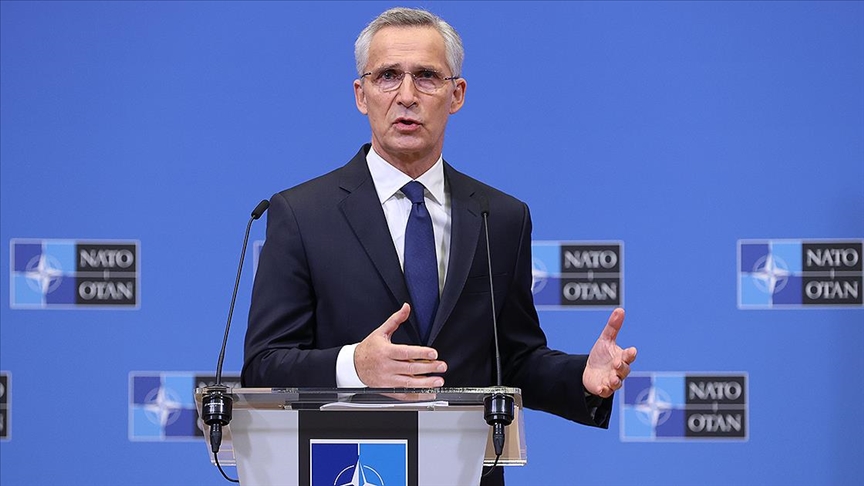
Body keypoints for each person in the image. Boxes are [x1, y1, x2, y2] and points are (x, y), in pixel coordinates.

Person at [241, 7, 637, 485]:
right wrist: (354, 365)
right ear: (361, 94)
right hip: (348, 469)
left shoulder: (501, 217)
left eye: (427, 76)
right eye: (388, 76)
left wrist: (581, 378)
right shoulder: (303, 213)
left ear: (457, 95)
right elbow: (264, 366)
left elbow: (514, 359)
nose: (407, 95)